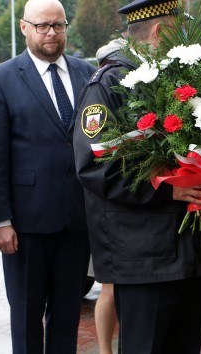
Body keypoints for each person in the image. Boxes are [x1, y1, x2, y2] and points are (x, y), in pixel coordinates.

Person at [74, 0, 201, 354]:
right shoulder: (110, 84)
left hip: (188, 254)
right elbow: (94, 165)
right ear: (160, 32)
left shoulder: (180, 78)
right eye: (179, 27)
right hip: (142, 260)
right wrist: (166, 189)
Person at [0, 0, 96, 354]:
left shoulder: (87, 74)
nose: (51, 33)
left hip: (76, 222)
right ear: (24, 27)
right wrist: (0, 219)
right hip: (25, 226)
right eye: (42, 25)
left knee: (66, 317)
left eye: (58, 25)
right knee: (27, 319)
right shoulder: (1, 79)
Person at [92, 37, 126, 354]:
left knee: (115, 288)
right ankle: (104, 350)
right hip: (103, 206)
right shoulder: (100, 90)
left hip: (118, 207)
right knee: (110, 288)